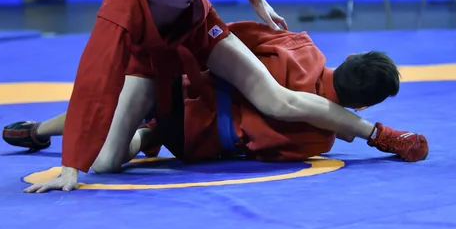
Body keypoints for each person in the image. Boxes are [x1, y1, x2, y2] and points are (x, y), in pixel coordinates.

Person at [5, 0, 420, 194]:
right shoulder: (118, 19)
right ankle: (42, 132)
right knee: (108, 163)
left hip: (203, 34)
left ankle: (380, 135)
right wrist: (73, 164)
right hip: (148, 64)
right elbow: (95, 90)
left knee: (277, 100)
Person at [132, 21, 426, 164]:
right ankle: (150, 133)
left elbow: (228, 37)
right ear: (360, 106)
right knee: (146, 135)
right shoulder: (319, 139)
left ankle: (137, 113)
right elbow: (264, 154)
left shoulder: (299, 47)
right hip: (187, 138)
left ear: (349, 58)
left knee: (150, 76)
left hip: (177, 86)